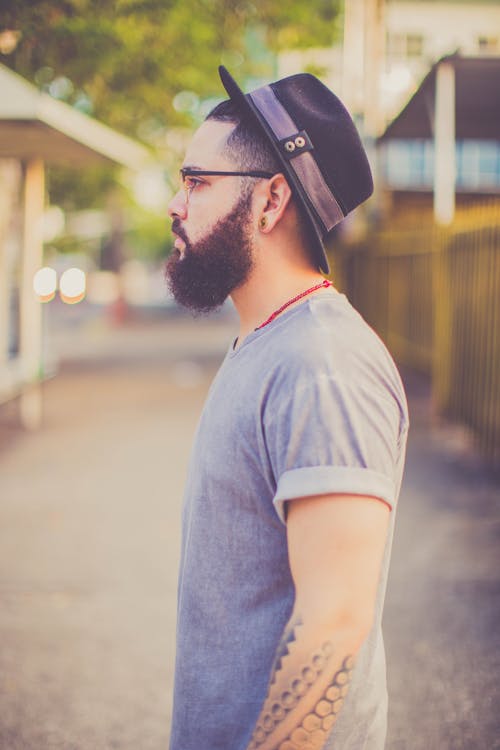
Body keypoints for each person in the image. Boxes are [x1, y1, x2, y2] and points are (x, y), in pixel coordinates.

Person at [165, 66, 409, 750]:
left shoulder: (321, 365)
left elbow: (333, 624)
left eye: (196, 181)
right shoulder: (269, 342)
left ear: (270, 201)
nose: (175, 205)